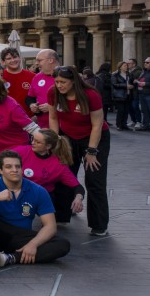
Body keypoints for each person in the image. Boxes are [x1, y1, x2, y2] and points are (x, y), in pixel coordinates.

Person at [0, 150, 71, 275]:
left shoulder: (37, 190)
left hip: (19, 237)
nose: (14, 170)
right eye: (9, 167)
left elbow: (50, 226)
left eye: (17, 166)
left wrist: (33, 245)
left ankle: (11, 258)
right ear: (1, 170)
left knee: (63, 244)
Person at [47, 65, 110, 237]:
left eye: (63, 82)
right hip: (68, 136)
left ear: (74, 81)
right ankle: (62, 214)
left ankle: (99, 224)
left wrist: (91, 151)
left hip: (94, 137)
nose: (59, 85)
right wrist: (56, 141)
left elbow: (97, 125)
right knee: (64, 174)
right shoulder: (53, 92)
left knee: (94, 179)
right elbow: (53, 118)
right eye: (57, 81)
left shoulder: (91, 95)